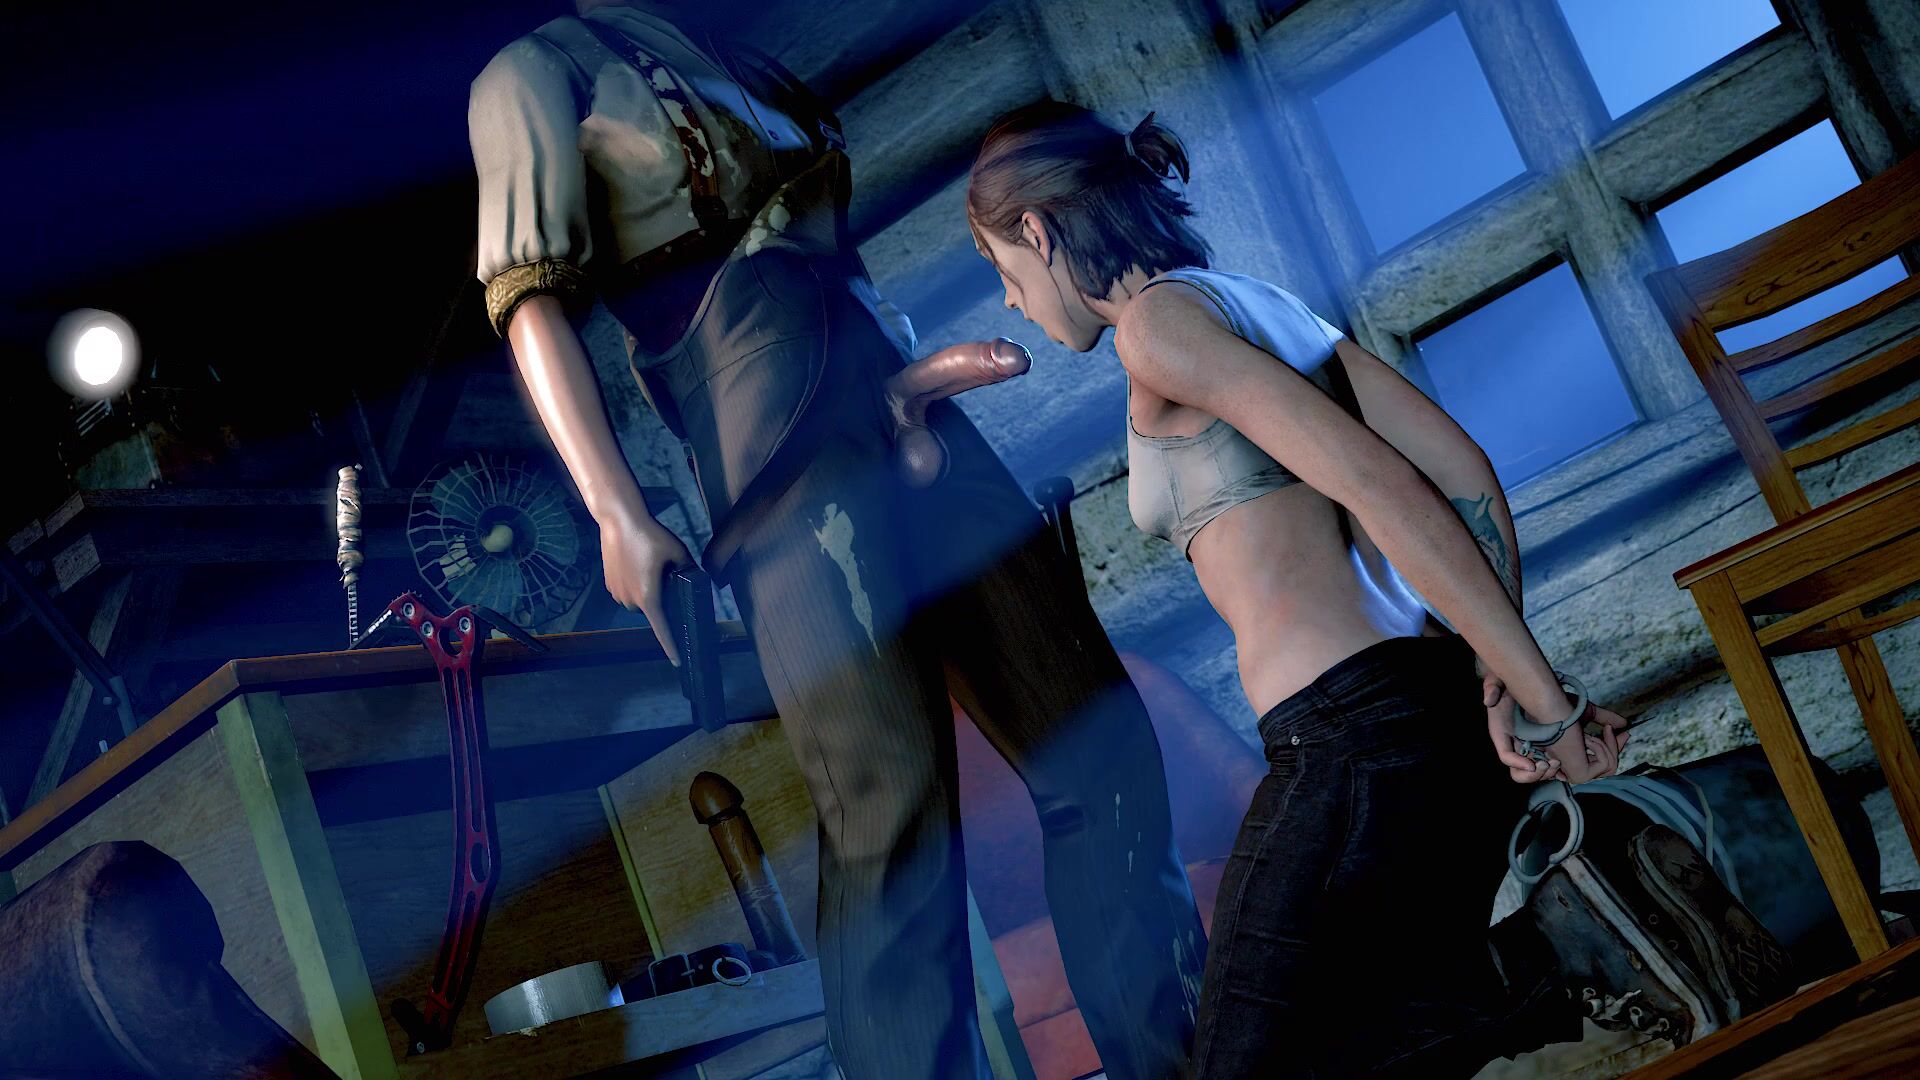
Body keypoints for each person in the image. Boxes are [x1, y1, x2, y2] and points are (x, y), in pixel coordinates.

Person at [966, 100, 1785, 1077]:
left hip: (1345, 743)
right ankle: (1590, 980)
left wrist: (1543, 698)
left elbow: (1381, 483)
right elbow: (1464, 470)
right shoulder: (1257, 304)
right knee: (1377, 1043)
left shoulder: (1157, 329)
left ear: (1037, 231)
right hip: (1432, 720)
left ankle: (1578, 973)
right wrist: (1493, 680)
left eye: (1000, 270)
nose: (1010, 301)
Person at [467, 6, 1206, 1077]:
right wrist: (617, 511)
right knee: (890, 805)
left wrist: (907, 377)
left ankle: (1176, 1060)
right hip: (772, 443)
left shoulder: (733, 55)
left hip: (903, 406)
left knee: (1098, 740)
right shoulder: (536, 71)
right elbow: (528, 300)